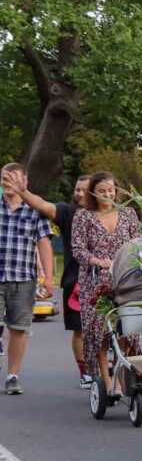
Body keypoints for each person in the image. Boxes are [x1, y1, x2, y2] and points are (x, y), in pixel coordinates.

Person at [6, 172, 92, 387]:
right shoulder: (66, 212)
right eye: (77, 189)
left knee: (108, 330)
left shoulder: (111, 214)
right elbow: (43, 205)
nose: (78, 193)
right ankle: (85, 373)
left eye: (84, 190)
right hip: (76, 281)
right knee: (79, 330)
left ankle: (111, 372)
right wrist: (23, 191)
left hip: (106, 280)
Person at [71, 172, 141, 397]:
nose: (107, 194)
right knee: (99, 331)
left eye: (111, 190)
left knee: (126, 329)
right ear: (93, 192)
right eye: (102, 191)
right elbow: (78, 249)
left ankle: (121, 379)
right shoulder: (84, 216)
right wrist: (97, 261)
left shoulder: (129, 213)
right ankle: (106, 380)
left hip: (124, 278)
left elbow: (138, 244)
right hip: (95, 279)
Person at [0, 163, 55, 395]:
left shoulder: (35, 210)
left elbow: (44, 244)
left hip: (23, 278)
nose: (7, 182)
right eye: (3, 178)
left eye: (12, 178)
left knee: (18, 329)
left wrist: (49, 279)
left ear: (24, 183)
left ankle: (13, 376)